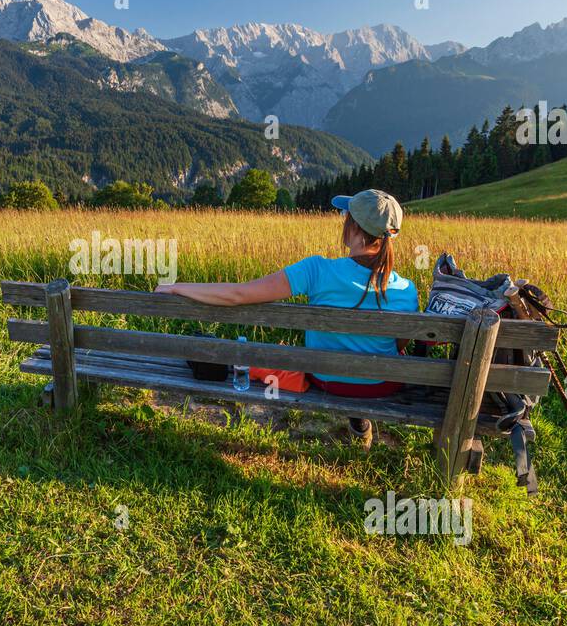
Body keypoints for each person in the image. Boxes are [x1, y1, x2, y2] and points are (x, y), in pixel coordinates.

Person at [156, 189, 420, 449]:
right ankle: (360, 426)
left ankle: (358, 424)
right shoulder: (407, 290)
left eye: (345, 215)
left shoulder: (316, 270)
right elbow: (397, 346)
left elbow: (238, 294)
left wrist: (178, 287)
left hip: (327, 379)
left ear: (353, 227)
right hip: (382, 385)